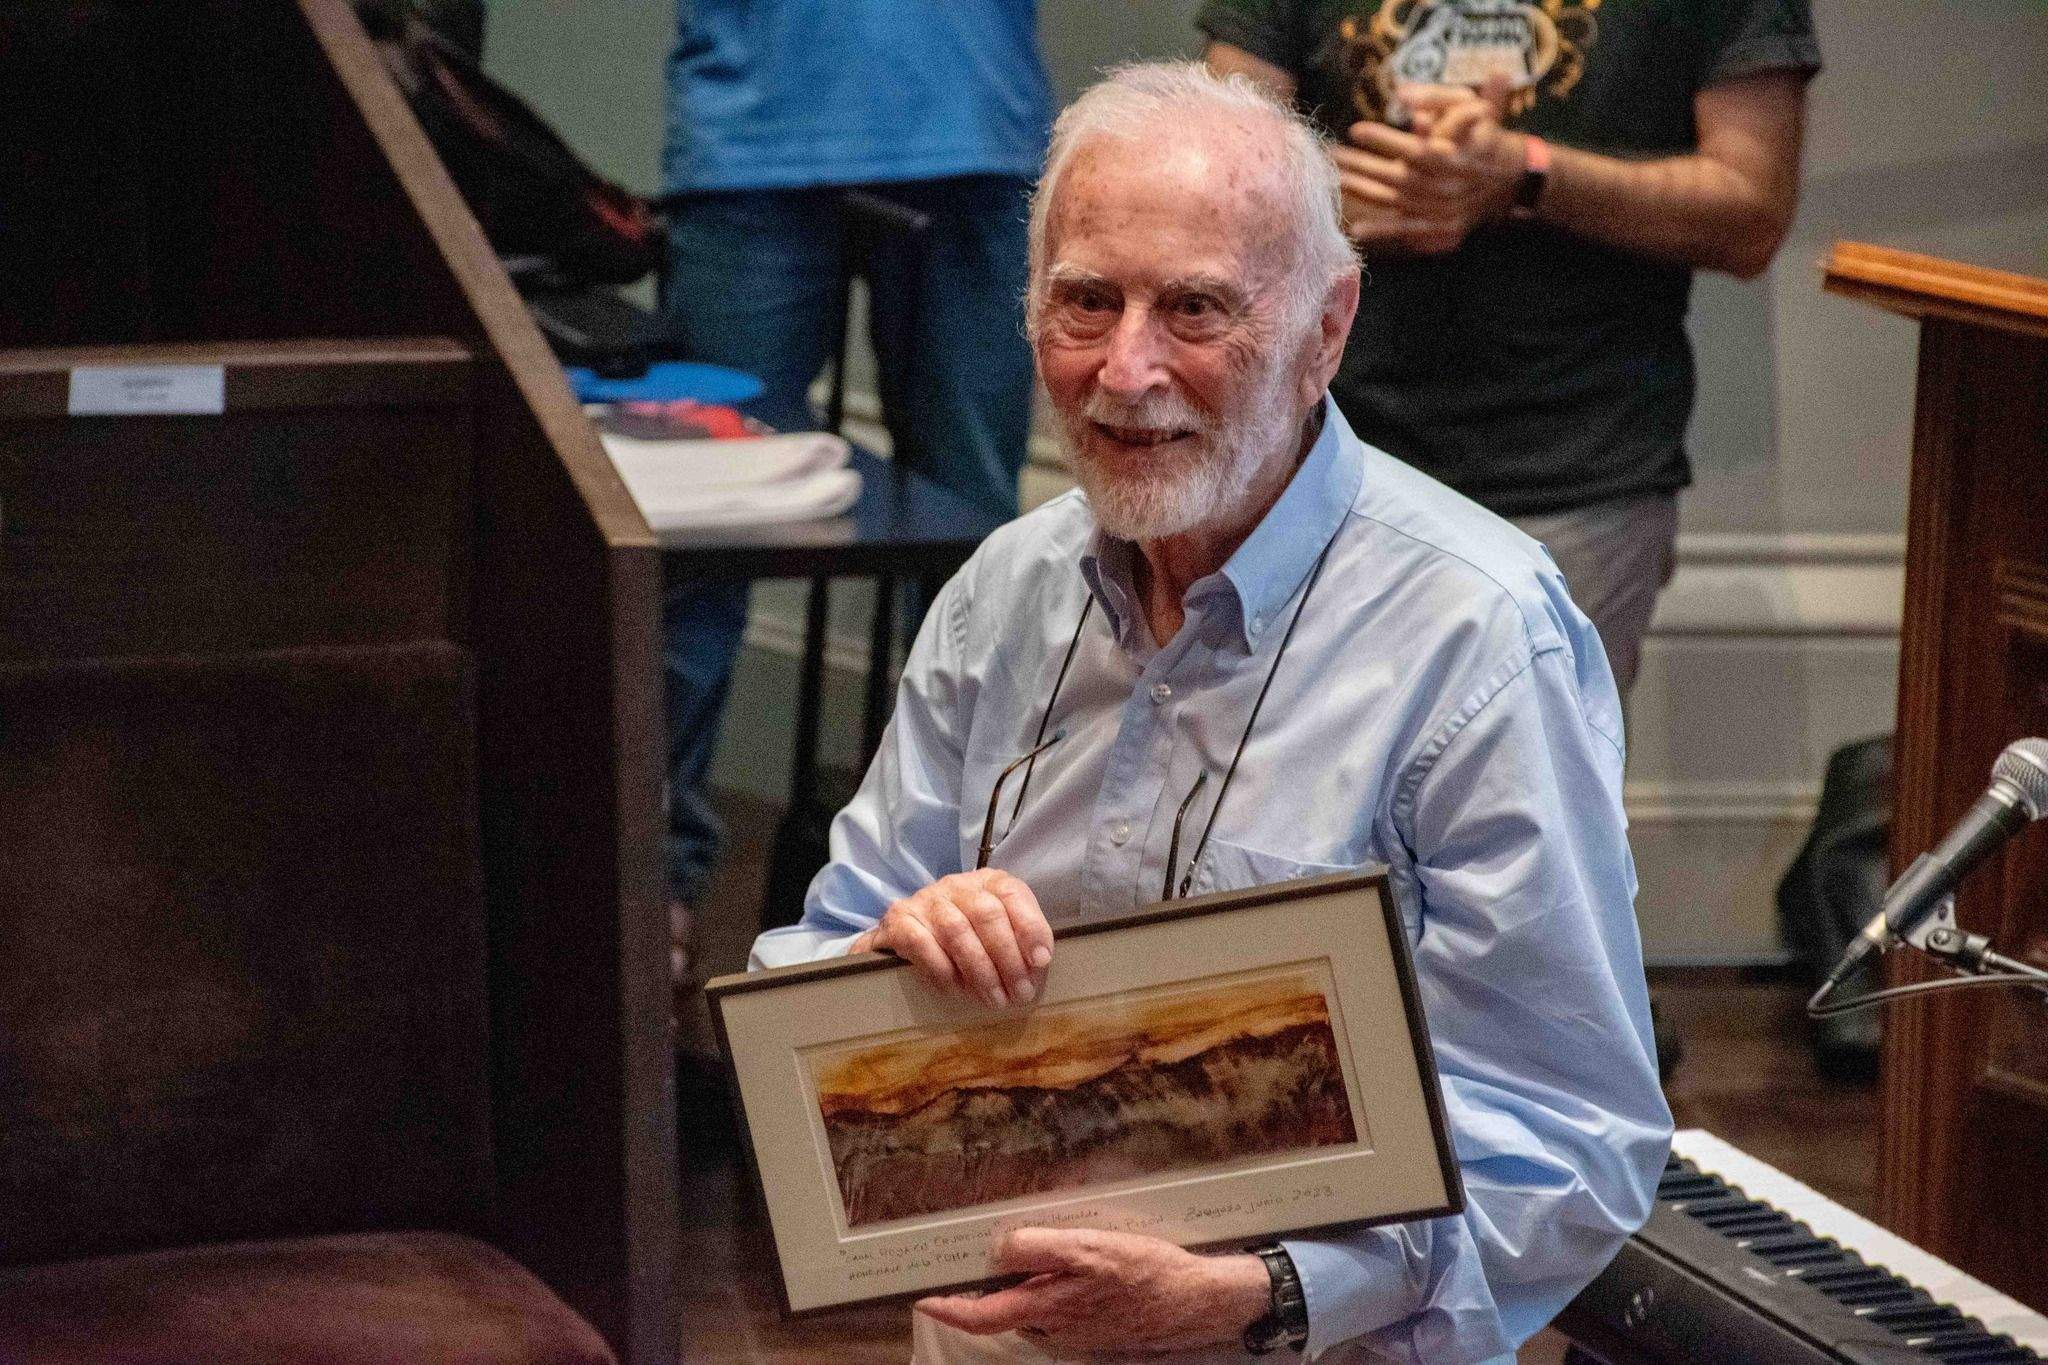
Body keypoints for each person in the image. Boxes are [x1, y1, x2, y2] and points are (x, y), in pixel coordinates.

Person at [752, 63, 1670, 1362]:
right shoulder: (1000, 596)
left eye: (1193, 309)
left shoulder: (1479, 639)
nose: (1127, 370)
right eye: (1086, 302)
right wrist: (886, 970)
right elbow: (812, 976)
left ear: (1326, 326)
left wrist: (1259, 1294)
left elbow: (1565, 1135)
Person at [1198, 0, 1820, 700]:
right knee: (1293, 789)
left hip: (1575, 474)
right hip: (1313, 463)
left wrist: (1524, 174)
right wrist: (1335, 203)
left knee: (1529, 799)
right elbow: (1218, 163)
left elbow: (1752, 208)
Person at [658, 1, 1051, 1024]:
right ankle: (646, 895)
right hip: (752, 127)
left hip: (968, 115)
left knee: (977, 559)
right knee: (692, 538)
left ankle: (976, 896)